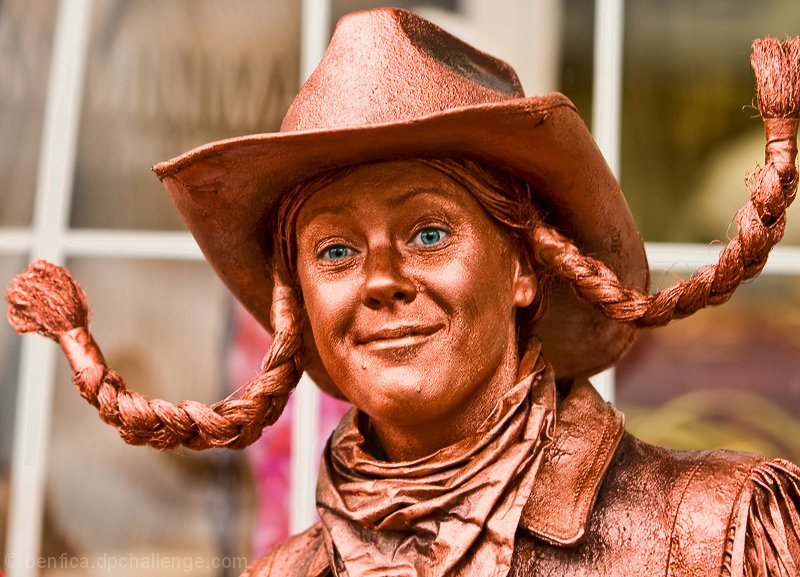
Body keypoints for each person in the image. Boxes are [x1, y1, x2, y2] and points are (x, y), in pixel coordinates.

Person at [6, 8, 800, 577]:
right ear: (304, 311)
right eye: (338, 251)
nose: (381, 282)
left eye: (428, 233)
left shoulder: (716, 535)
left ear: (523, 269)